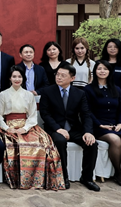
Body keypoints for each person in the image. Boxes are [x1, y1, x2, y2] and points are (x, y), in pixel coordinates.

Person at [0, 66, 65, 190]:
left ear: (23, 78)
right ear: (10, 78)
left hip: (26, 125)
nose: (17, 79)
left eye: (19, 76)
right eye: (14, 76)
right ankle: (19, 180)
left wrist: (25, 128)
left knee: (41, 144)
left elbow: (32, 116)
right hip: (9, 126)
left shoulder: (28, 95)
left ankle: (37, 180)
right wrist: (7, 128)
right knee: (16, 144)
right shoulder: (3, 94)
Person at [39, 62, 100, 191]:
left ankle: (87, 178)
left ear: (72, 78)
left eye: (63, 75)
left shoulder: (80, 93)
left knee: (92, 144)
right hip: (55, 128)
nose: (59, 77)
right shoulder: (47, 91)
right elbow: (45, 114)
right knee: (60, 141)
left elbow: (86, 114)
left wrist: (88, 132)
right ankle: (63, 177)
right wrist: (58, 129)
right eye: (57, 74)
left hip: (73, 129)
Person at [85, 61, 121, 188]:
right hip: (99, 127)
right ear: (95, 71)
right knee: (115, 140)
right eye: (99, 69)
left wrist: (120, 123)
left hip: (115, 125)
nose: (102, 71)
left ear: (109, 72)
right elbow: (87, 111)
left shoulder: (116, 89)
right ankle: (118, 173)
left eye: (105, 69)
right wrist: (99, 125)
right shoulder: (88, 89)